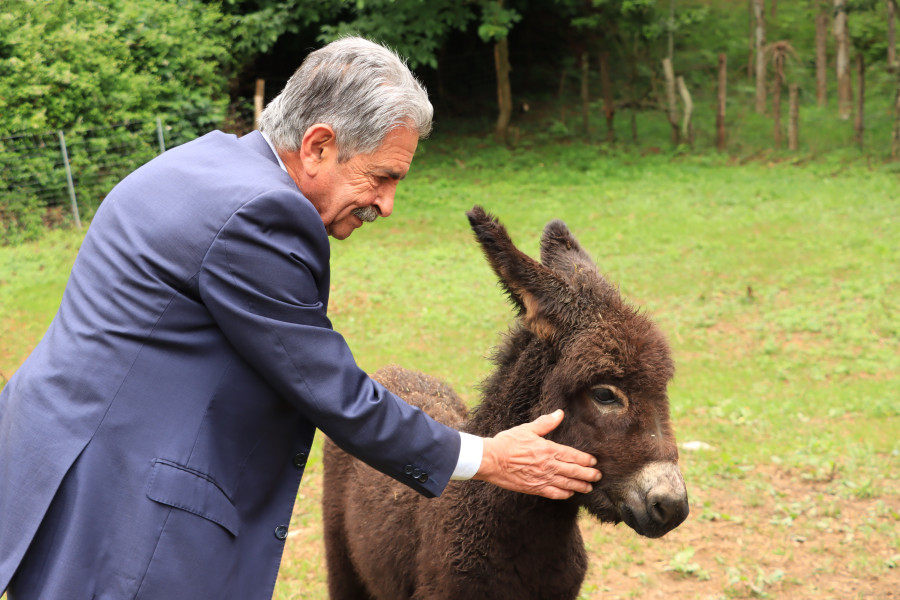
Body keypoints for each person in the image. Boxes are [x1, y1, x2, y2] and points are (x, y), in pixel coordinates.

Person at [0, 37, 600, 598]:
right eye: (383, 177)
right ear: (317, 146)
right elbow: (333, 392)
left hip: (63, 469)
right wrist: (488, 457)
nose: (387, 205)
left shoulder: (199, 164)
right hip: (128, 523)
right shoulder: (262, 216)